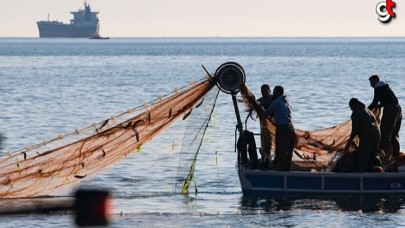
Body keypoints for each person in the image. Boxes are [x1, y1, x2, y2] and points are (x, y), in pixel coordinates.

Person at [258, 86, 296, 171]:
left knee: (280, 152)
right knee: (288, 152)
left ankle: (280, 171)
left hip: (283, 128)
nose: (273, 94)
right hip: (291, 128)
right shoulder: (287, 101)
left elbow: (265, 114)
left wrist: (259, 106)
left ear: (277, 92)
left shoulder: (276, 102)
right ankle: (287, 170)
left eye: (274, 92)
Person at [368, 75, 402, 163]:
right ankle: (396, 155)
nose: (371, 85)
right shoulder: (385, 87)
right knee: (394, 134)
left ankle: (387, 156)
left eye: (371, 82)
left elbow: (374, 102)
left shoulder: (378, 88)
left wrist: (366, 110)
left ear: (375, 81)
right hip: (398, 109)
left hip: (390, 110)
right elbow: (389, 100)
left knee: (385, 133)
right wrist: (381, 105)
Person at [345, 98, 382, 172]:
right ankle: (380, 170)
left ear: (353, 105)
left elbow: (355, 128)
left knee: (363, 156)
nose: (351, 109)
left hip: (368, 135)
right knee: (374, 154)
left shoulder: (355, 113)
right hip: (377, 133)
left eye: (351, 107)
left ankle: (360, 174)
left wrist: (351, 138)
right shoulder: (367, 110)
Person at [257, 84, 273, 169]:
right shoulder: (259, 101)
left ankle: (272, 160)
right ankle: (265, 160)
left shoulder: (273, 99)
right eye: (262, 91)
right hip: (263, 126)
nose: (264, 93)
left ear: (269, 91)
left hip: (274, 126)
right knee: (264, 144)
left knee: (273, 143)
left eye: (265, 91)